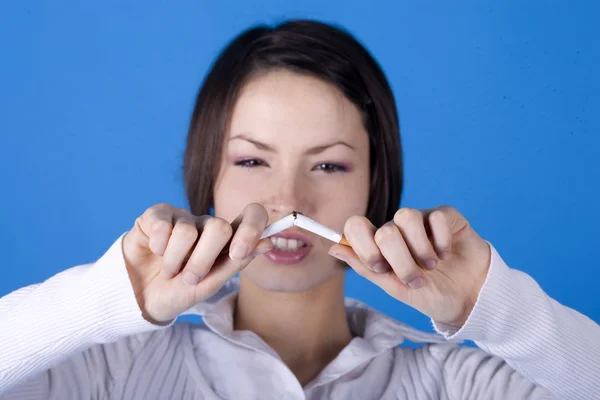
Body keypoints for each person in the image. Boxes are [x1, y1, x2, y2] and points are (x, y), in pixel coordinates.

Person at [1, 19, 599, 400]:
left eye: (330, 165)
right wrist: (106, 296)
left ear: (376, 182)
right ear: (206, 174)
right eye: (251, 161)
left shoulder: (458, 385)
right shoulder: (110, 376)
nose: (287, 202)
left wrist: (492, 307)